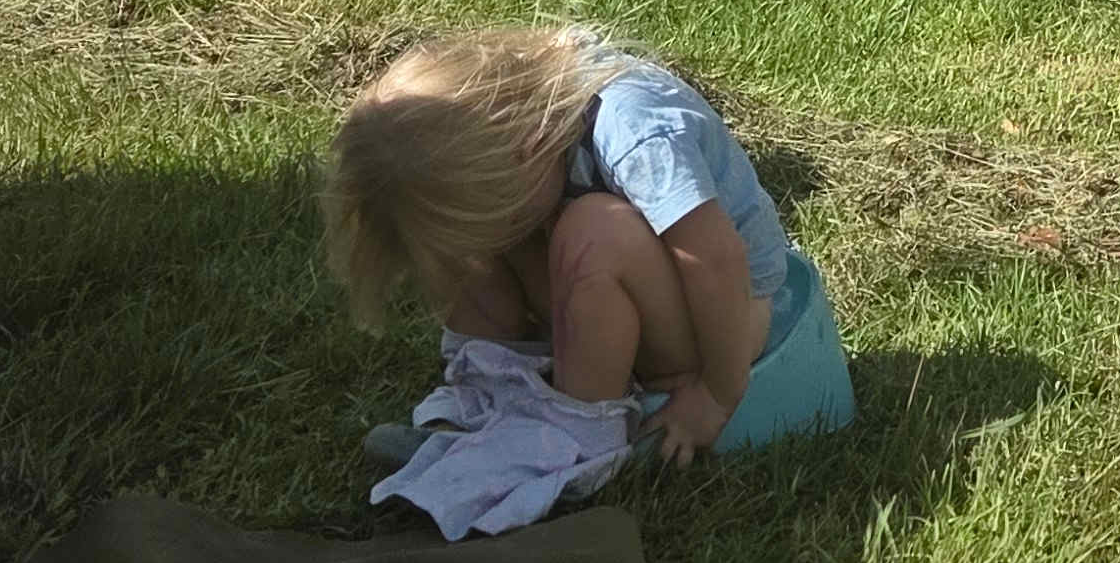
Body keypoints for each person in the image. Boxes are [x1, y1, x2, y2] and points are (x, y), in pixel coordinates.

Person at [323, 27, 848, 466]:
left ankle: (573, 441)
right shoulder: (513, 132)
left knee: (594, 229)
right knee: (475, 245)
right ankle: (489, 402)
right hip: (640, 288)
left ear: (526, 148)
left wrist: (717, 392)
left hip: (726, 318)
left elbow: (715, 261)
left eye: (508, 213)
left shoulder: (634, 131)